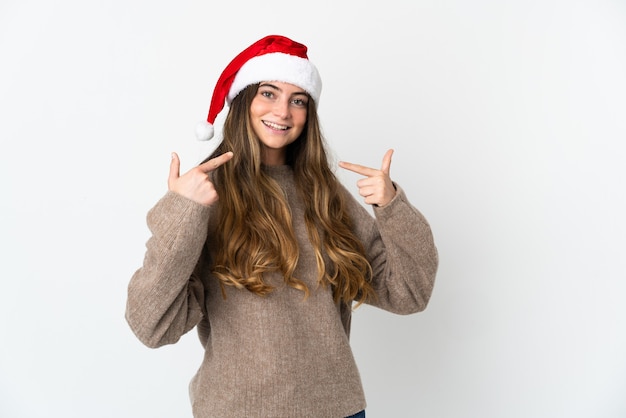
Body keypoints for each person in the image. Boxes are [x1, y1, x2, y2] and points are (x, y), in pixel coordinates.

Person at [125, 34, 438, 418]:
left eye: (298, 100)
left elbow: (408, 293)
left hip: (336, 409)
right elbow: (150, 325)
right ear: (244, 101)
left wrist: (392, 207)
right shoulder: (205, 197)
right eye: (269, 93)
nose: (284, 112)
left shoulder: (326, 195)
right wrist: (183, 211)